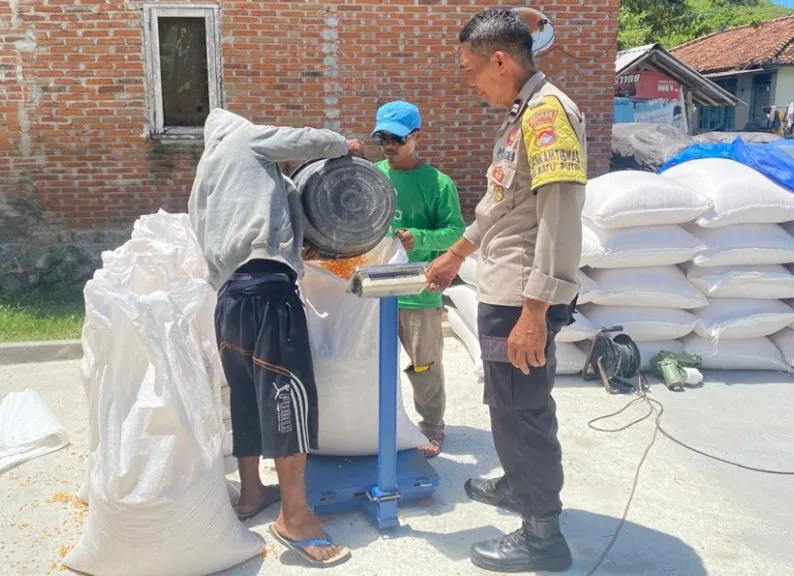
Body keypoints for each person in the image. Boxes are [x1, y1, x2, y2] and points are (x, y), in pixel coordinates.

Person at [425, 8, 587, 573]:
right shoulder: (521, 115)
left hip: (524, 295)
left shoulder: (547, 117)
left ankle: (543, 536)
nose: (470, 82)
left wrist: (535, 312)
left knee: (522, 412)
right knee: (509, 404)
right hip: (505, 286)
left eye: (472, 70)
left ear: (500, 60)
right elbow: (503, 202)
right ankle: (522, 486)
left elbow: (560, 215)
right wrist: (456, 254)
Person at [189, 108, 363, 568]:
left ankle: (251, 493)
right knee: (288, 397)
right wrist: (343, 144)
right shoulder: (245, 139)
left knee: (246, 396)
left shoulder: (207, 174)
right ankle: (296, 516)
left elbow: (233, 229)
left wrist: (292, 242)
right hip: (269, 295)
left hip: (229, 302)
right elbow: (300, 138)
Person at [371, 100, 466, 459]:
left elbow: (457, 231)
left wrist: (421, 239)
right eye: (382, 138)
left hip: (418, 290)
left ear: (417, 137)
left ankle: (430, 426)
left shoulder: (438, 184)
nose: (388, 146)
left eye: (396, 138)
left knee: (422, 364)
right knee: (369, 363)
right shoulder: (374, 176)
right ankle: (377, 424)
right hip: (376, 287)